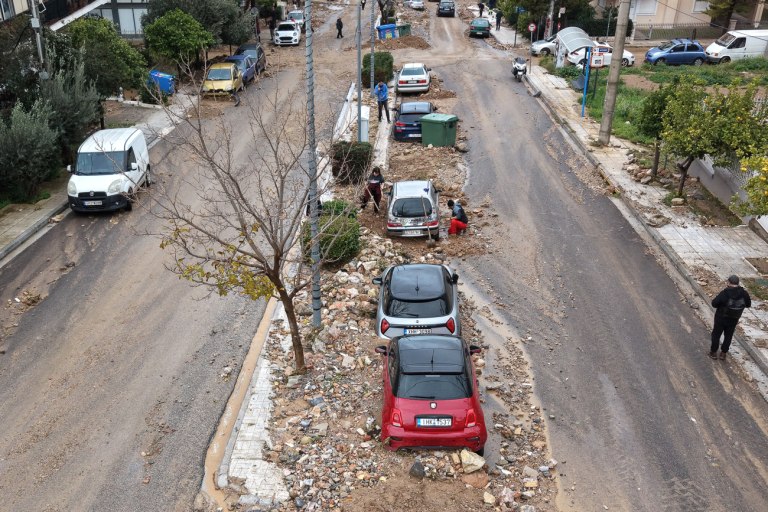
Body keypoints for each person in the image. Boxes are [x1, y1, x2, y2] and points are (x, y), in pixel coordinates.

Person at [710, 275, 751, 360]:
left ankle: (713, 352)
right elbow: (748, 304)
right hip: (734, 319)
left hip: (721, 318)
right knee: (728, 336)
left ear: (728, 282)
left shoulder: (725, 293)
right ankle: (723, 353)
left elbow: (714, 304)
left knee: (716, 335)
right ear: (738, 283)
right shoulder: (744, 293)